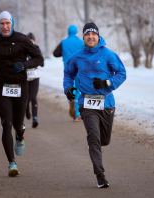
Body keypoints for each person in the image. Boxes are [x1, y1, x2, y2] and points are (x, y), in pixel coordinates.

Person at [63, 22, 126, 188]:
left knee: (103, 140)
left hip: (106, 103)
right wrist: (68, 88)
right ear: (83, 37)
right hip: (86, 103)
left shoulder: (108, 54)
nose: (90, 37)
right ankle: (100, 175)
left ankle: (97, 144)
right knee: (94, 137)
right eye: (87, 34)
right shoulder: (77, 56)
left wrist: (107, 82)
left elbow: (122, 73)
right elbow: (68, 73)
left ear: (98, 36)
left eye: (93, 34)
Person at [0, 11, 44, 177]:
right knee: (6, 122)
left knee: (18, 124)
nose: (5, 27)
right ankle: (12, 163)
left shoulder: (22, 40)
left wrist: (24, 65)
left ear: (12, 23)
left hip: (20, 86)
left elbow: (39, 58)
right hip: (2, 87)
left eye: (7, 23)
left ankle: (21, 134)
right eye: (2, 24)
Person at [53, 25, 83, 122]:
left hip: (68, 69)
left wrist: (64, 53)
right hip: (79, 69)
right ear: (76, 32)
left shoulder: (63, 42)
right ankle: (77, 116)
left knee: (69, 88)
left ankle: (70, 100)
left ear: (68, 32)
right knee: (78, 90)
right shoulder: (81, 42)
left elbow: (55, 53)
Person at [25, 32, 43, 128]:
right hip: (26, 77)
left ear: (34, 41)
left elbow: (42, 62)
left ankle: (35, 118)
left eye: (32, 41)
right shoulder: (23, 49)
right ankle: (27, 109)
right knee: (27, 97)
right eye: (29, 41)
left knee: (33, 97)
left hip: (35, 76)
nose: (31, 43)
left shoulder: (37, 49)